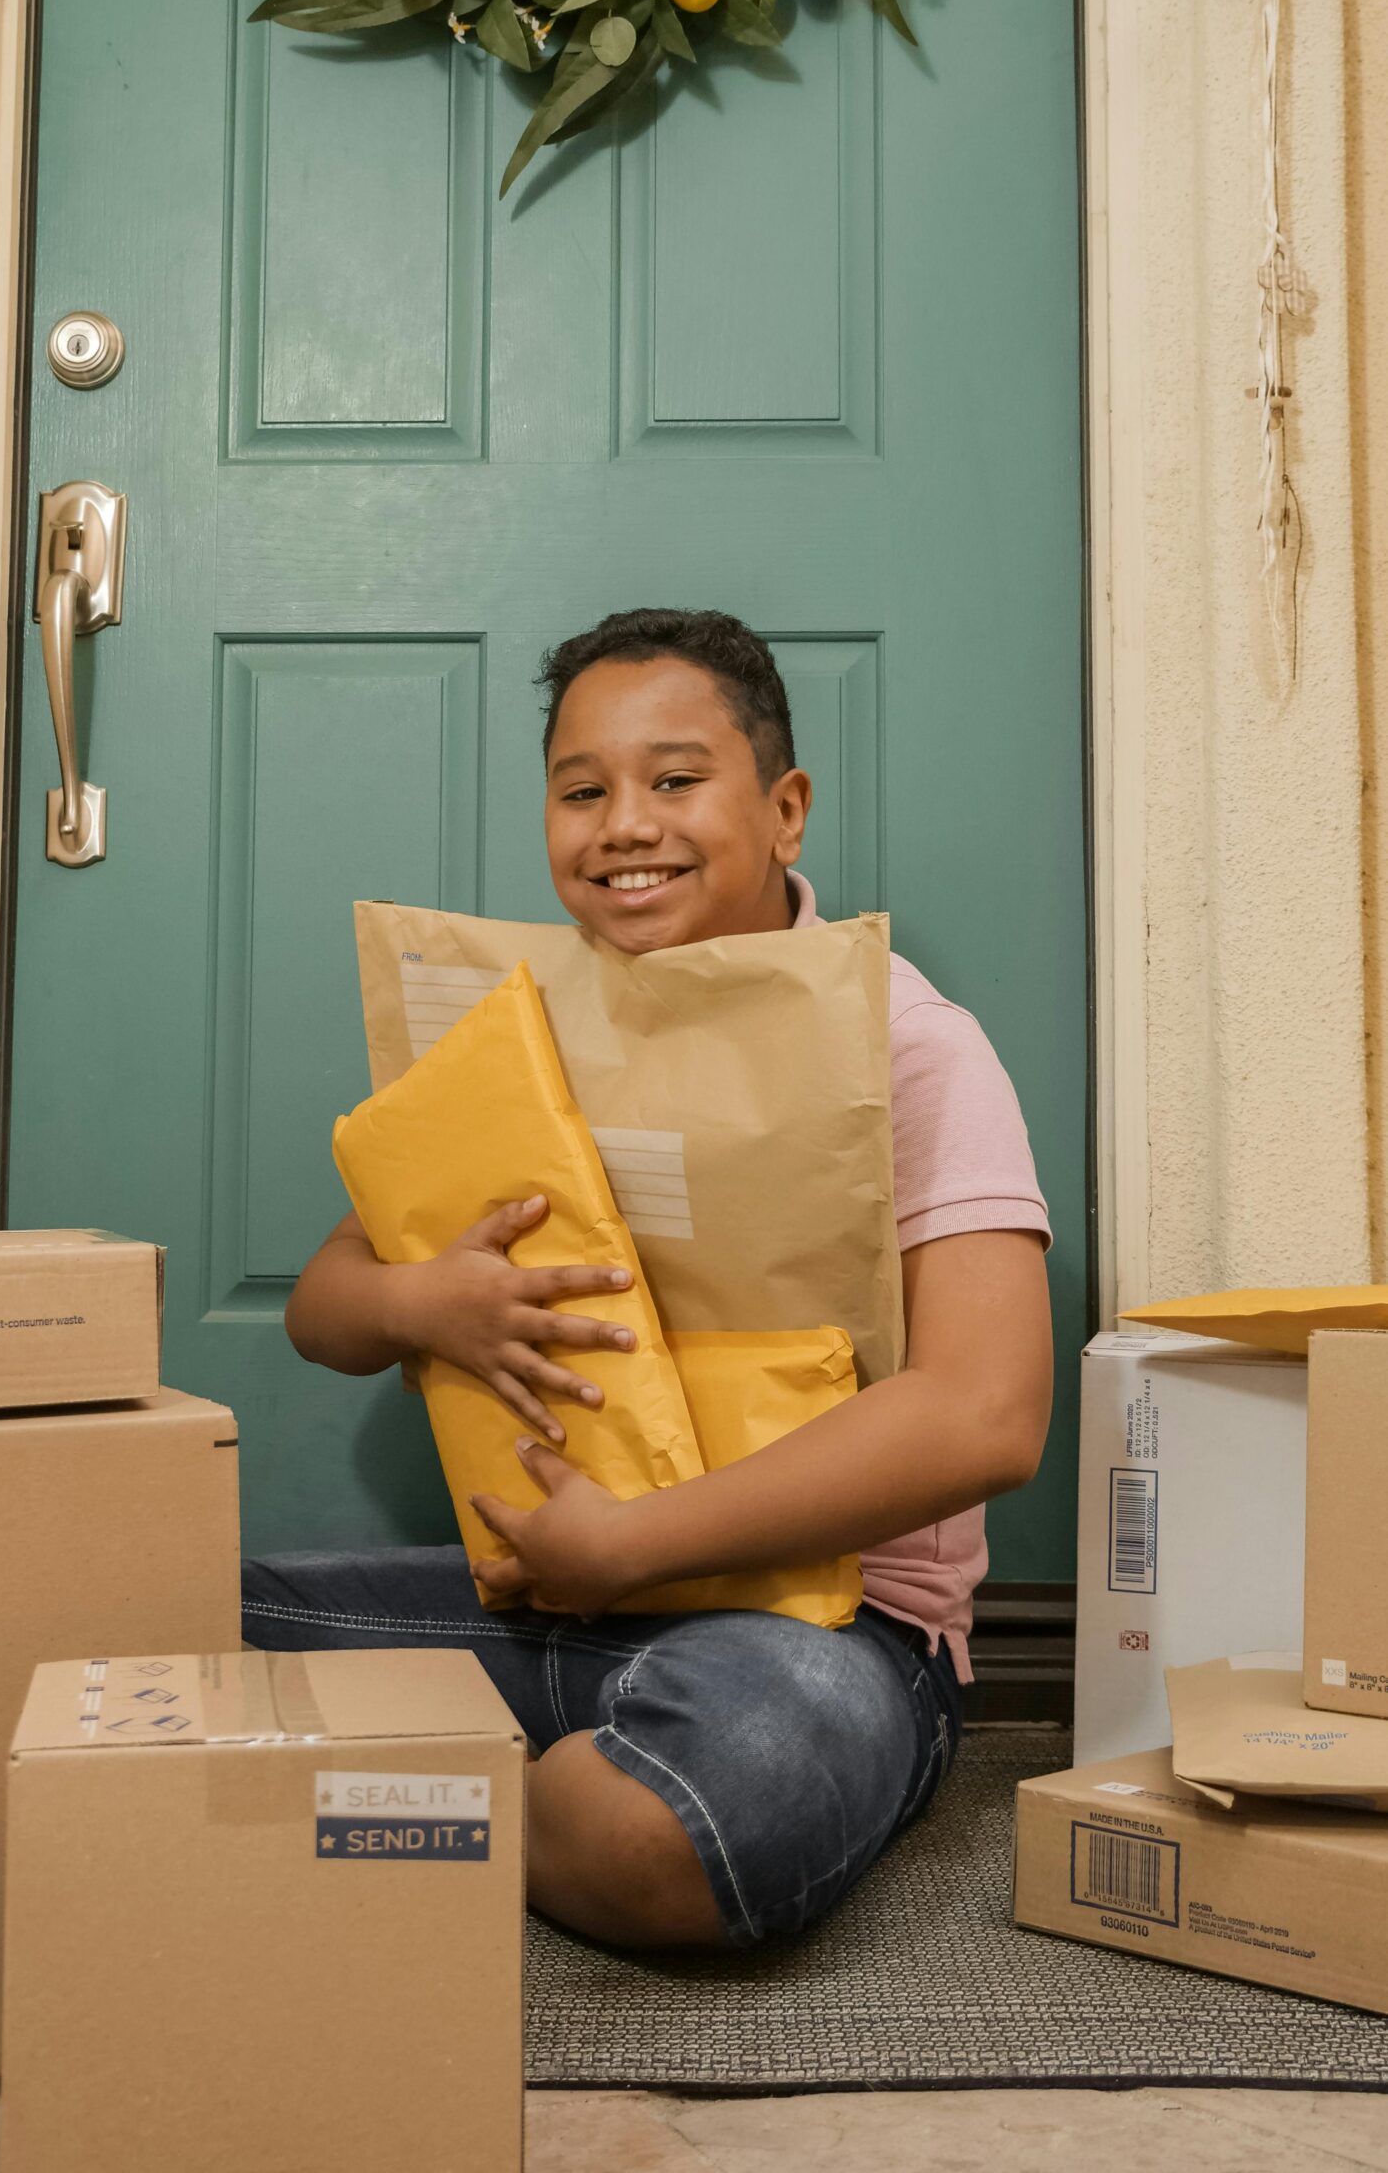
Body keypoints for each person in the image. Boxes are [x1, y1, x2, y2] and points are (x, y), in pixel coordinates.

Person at [243, 608, 1053, 1951]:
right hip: (544, 1598)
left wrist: (629, 1547)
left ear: (783, 811)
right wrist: (416, 1302)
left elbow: (986, 1413)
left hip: (821, 1637)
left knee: (680, 1830)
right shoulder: (517, 1028)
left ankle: (402, 1805)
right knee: (151, 1632)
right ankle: (474, 1789)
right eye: (582, 790)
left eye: (675, 781)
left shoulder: (907, 1046)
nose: (624, 823)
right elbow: (322, 1311)